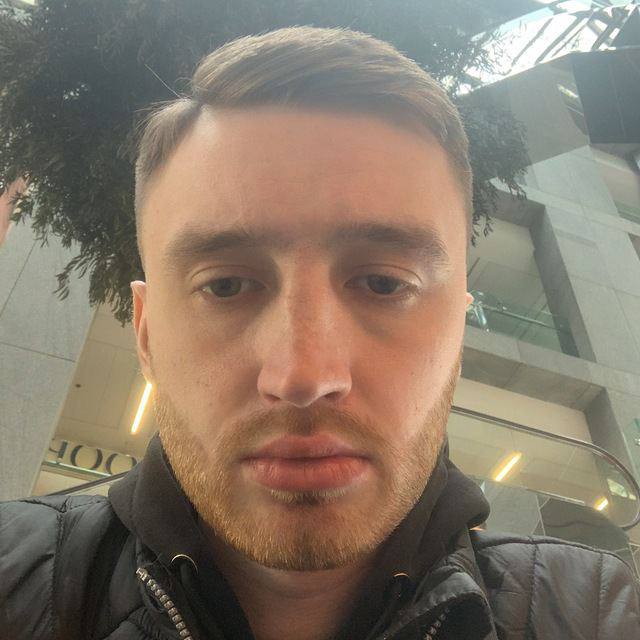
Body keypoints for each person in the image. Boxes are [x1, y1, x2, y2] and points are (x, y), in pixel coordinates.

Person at [1, 26, 638, 640]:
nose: (303, 376)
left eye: (383, 283)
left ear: (458, 334)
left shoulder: (599, 611)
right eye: (225, 285)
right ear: (145, 335)